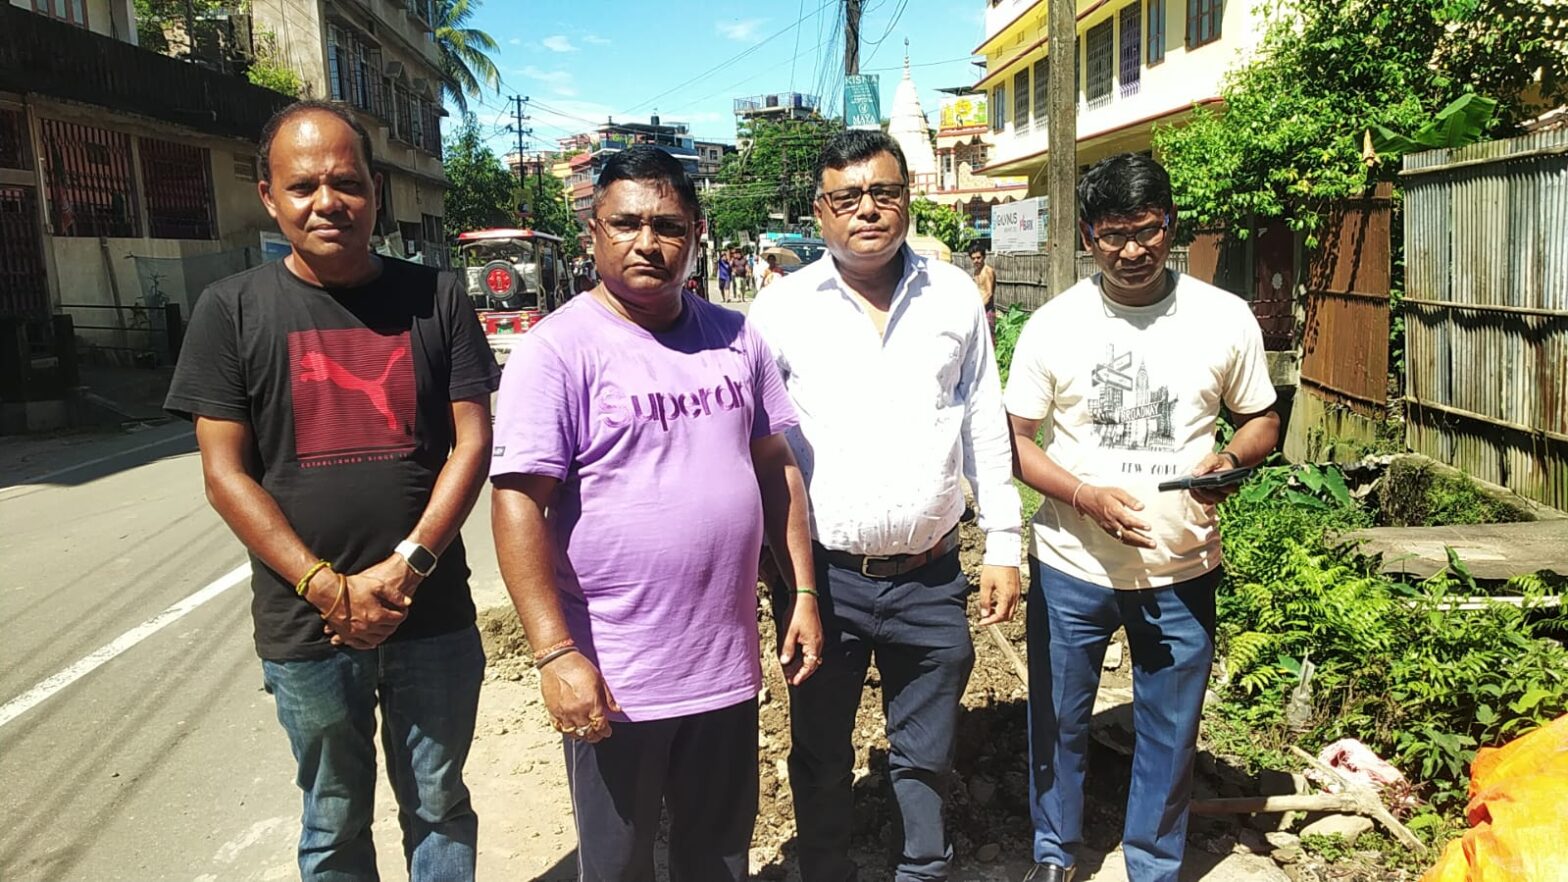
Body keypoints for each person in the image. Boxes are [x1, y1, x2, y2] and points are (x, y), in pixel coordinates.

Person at [165, 100, 497, 881]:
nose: (328, 202)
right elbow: (225, 474)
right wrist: (325, 587)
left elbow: (473, 442)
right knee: (334, 815)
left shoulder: (437, 296)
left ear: (376, 190)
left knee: (439, 804)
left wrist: (408, 567)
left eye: (346, 182)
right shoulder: (231, 309)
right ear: (268, 196)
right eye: (303, 185)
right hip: (308, 628)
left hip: (431, 615)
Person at [489, 145, 823, 881]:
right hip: (616, 679)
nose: (648, 242)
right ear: (594, 233)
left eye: (668, 226)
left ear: (696, 234)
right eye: (626, 224)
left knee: (719, 856)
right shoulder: (557, 351)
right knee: (620, 866)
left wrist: (801, 589)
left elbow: (775, 467)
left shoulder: (736, 337)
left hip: (723, 665)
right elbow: (516, 504)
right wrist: (554, 654)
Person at [748, 130, 1023, 881]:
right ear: (820, 211)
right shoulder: (780, 310)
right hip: (822, 582)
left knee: (927, 753)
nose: (867, 209)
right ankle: (824, 870)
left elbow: (982, 421)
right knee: (820, 750)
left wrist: (1004, 543)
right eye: (847, 197)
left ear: (907, 198)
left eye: (884, 192)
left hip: (932, 578)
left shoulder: (954, 295)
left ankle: (923, 869)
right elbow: (753, 444)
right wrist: (765, 565)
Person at [1004, 153, 1280, 882]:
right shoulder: (1054, 325)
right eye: (1113, 234)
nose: (1131, 250)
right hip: (1073, 566)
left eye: (1147, 230)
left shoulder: (1223, 317)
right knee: (1058, 719)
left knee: (1171, 726)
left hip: (1181, 564)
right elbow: (1015, 441)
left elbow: (1262, 419)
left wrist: (1231, 460)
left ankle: (1153, 864)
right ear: (1087, 236)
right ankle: (1054, 853)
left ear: (1171, 226)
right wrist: (1084, 497)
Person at [969, 246, 996, 332]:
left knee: (989, 337)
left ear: (984, 257)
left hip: (987, 311)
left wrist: (977, 309)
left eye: (978, 257)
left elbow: (989, 294)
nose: (976, 260)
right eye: (973, 258)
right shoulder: (976, 272)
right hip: (980, 310)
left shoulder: (987, 271)